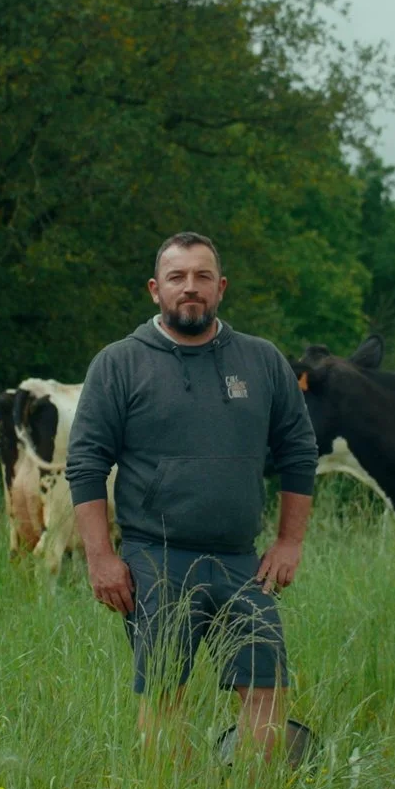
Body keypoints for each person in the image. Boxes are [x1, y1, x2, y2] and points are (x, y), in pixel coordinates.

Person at [64, 231, 320, 762]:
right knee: (164, 693)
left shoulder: (262, 361)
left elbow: (298, 452)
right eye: (177, 277)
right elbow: (86, 464)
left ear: (220, 287)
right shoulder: (119, 363)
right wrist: (100, 557)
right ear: (155, 289)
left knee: (266, 688)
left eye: (203, 276)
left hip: (242, 562)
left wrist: (289, 543)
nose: (190, 287)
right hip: (156, 558)